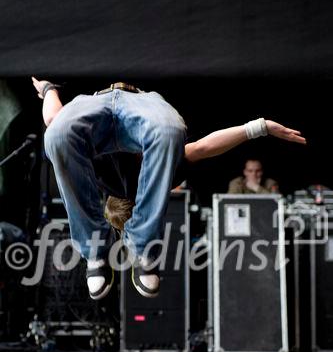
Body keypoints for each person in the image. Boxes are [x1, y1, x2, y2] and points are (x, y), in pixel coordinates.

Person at [32, 77, 306, 300]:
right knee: (59, 135)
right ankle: (132, 250)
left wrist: (259, 128)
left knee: (59, 137)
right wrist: (48, 90)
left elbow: (204, 147)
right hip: (137, 106)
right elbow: (54, 119)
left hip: (105, 109)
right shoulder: (132, 176)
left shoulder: (152, 176)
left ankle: (99, 253)